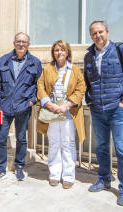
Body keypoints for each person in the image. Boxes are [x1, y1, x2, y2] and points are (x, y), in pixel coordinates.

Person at [84, 21, 123, 206]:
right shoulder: (89, 56)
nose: (97, 35)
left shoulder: (121, 50)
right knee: (101, 147)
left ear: (107, 32)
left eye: (100, 31)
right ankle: (104, 179)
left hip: (117, 109)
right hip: (97, 110)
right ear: (91, 35)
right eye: (94, 33)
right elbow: (87, 80)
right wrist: (89, 98)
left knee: (122, 150)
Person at [0, 32, 42, 183]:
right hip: (4, 107)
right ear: (14, 43)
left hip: (23, 107)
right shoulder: (4, 60)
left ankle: (19, 166)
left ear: (28, 45)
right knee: (0, 139)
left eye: (24, 42)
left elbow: (40, 86)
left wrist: (32, 101)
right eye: (18, 41)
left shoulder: (35, 62)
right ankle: (0, 170)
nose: (21, 44)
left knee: (21, 138)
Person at [36, 40, 86, 189]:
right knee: (54, 143)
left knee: (68, 143)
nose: (59, 53)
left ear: (67, 52)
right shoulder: (47, 69)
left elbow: (81, 88)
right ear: (53, 53)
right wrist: (49, 104)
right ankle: (54, 174)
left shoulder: (75, 70)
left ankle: (68, 176)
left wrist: (67, 105)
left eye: (62, 50)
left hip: (68, 112)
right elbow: (40, 86)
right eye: (57, 50)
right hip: (51, 112)